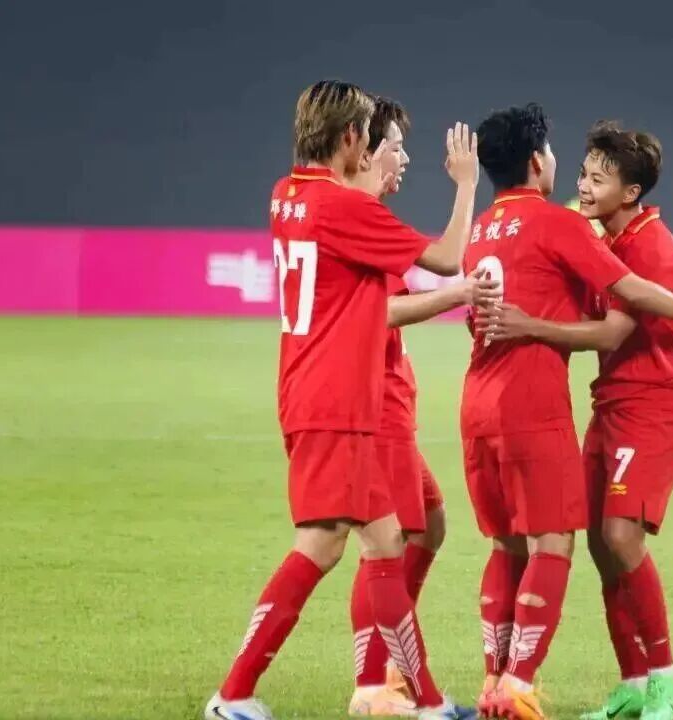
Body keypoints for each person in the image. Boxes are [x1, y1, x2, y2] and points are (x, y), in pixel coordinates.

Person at [204, 80, 479, 720]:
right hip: (334, 400)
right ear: (352, 137)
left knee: (384, 543)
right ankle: (233, 694)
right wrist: (466, 185)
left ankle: (426, 702)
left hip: (319, 391)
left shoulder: (287, 194)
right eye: (373, 138)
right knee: (322, 545)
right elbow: (447, 258)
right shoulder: (343, 207)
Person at [465, 103, 673, 720]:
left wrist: (529, 325)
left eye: (599, 178)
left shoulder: (654, 247)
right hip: (607, 406)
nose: (584, 186)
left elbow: (615, 331)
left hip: (652, 406)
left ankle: (663, 684)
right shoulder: (599, 238)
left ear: (631, 192)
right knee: (596, 544)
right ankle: (632, 684)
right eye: (583, 174)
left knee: (619, 536)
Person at [346, 96, 500, 717]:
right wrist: (466, 187)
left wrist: (457, 290)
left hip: (390, 402)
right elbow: (386, 307)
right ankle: (373, 684)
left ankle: (387, 666)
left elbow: (404, 290)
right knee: (384, 544)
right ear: (363, 149)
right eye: (396, 146)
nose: (405, 158)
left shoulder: (367, 216)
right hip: (375, 404)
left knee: (427, 525)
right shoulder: (354, 217)